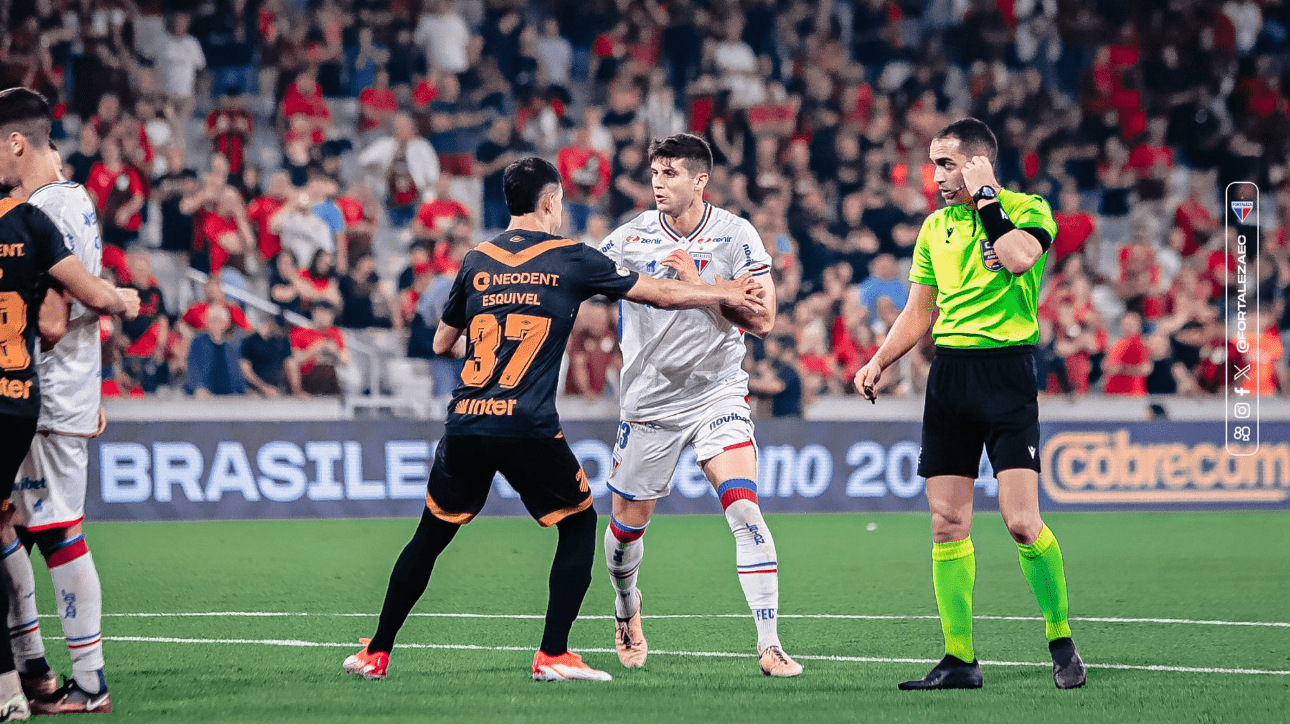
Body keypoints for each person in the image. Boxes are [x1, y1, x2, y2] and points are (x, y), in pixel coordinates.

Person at [341, 156, 766, 683]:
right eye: (560, 200)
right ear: (548, 202)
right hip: (526, 424)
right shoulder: (570, 257)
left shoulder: (477, 258)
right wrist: (722, 291)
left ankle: (377, 652)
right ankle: (554, 654)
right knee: (579, 523)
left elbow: (440, 342)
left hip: (467, 420)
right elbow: (657, 292)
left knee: (429, 537)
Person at [854, 118, 1086, 691]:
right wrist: (879, 360)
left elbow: (1018, 259)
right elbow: (918, 312)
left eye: (948, 164)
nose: (936, 176)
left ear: (980, 164)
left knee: (1022, 523)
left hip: (1007, 375)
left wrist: (987, 199)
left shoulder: (1028, 208)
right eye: (934, 164)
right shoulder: (935, 227)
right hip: (950, 376)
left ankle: (1061, 640)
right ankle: (960, 659)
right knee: (947, 524)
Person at [594, 133, 801, 677]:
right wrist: (723, 291)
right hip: (648, 404)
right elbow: (580, 283)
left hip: (717, 393)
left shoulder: (737, 236)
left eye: (671, 173)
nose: (659, 182)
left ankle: (770, 642)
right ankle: (625, 608)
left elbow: (763, 322)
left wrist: (705, 282)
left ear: (700, 180)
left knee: (744, 506)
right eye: (655, 173)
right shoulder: (628, 240)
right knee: (623, 536)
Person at [0, 87, 142, 716]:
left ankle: (81, 679)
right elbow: (91, 305)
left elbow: (54, 319)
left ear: (18, 143)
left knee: (49, 531)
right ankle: (33, 669)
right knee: (18, 529)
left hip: (42, 390)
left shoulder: (41, 209)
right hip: (71, 390)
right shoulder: (78, 199)